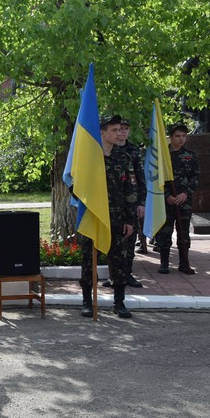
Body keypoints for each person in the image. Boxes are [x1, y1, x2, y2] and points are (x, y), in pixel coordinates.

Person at [79, 116, 139, 318]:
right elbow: (75, 185)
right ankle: (87, 302)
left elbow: (130, 190)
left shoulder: (124, 158)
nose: (118, 133)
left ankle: (119, 303)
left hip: (117, 219)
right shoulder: (89, 157)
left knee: (119, 261)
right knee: (89, 261)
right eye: (114, 130)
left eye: (120, 129)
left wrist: (129, 220)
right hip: (93, 218)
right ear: (102, 133)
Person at [103, 117, 145, 288]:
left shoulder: (132, 151)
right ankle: (113, 276)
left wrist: (141, 203)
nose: (121, 132)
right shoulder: (103, 150)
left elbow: (139, 179)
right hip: (108, 205)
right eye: (118, 129)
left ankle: (127, 274)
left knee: (129, 240)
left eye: (125, 129)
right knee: (112, 243)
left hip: (129, 204)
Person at [155, 122, 199, 275]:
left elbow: (195, 177)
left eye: (184, 136)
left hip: (184, 201)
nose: (181, 139)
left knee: (183, 232)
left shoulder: (191, 155)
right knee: (165, 232)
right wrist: (167, 195)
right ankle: (164, 263)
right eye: (177, 136)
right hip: (167, 201)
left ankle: (184, 263)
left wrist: (186, 193)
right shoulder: (162, 156)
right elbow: (157, 178)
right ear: (170, 137)